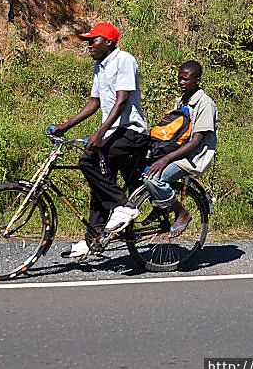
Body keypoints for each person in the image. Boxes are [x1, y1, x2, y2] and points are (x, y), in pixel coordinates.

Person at [50, 22, 150, 258]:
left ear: (109, 42)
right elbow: (94, 103)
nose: (89, 46)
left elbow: (122, 100)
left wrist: (99, 133)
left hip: (131, 132)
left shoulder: (124, 59)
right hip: (114, 132)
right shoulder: (99, 66)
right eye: (88, 42)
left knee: (88, 162)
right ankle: (93, 239)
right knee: (99, 185)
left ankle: (124, 206)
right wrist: (65, 126)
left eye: (93, 41)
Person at [143, 60, 217, 236]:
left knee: (154, 178)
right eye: (179, 79)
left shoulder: (205, 104)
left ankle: (181, 213)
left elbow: (196, 141)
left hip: (191, 158)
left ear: (197, 80)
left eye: (186, 79)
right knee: (140, 168)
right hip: (175, 151)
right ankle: (162, 205)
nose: (181, 83)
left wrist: (166, 159)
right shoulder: (181, 101)